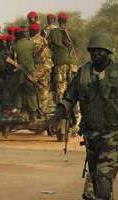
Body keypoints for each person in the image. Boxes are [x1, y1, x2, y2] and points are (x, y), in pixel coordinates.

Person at [44, 32, 118, 200]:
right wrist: (55, 118)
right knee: (93, 185)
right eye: (93, 51)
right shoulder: (83, 73)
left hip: (113, 135)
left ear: (108, 53)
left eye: (100, 51)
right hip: (90, 136)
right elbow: (68, 99)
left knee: (103, 180)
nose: (95, 54)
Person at [47, 11, 79, 140]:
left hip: (60, 64)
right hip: (73, 65)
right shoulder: (71, 32)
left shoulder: (53, 32)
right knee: (73, 92)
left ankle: (62, 119)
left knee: (61, 92)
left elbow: (48, 45)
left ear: (58, 21)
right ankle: (74, 124)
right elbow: (74, 44)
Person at [11, 27, 39, 121]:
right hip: (31, 71)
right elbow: (36, 56)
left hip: (19, 72)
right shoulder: (31, 43)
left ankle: (18, 109)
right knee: (31, 91)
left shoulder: (14, 45)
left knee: (18, 90)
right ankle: (34, 111)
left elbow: (14, 60)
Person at [28, 23, 53, 113]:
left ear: (33, 31)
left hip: (38, 68)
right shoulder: (45, 40)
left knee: (29, 86)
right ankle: (43, 109)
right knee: (44, 88)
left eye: (30, 31)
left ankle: (33, 109)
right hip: (47, 67)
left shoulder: (32, 41)